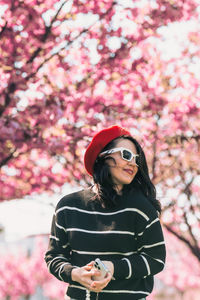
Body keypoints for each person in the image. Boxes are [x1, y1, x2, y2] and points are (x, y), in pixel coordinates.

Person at [44, 125, 166, 300]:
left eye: (136, 159)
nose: (132, 163)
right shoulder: (68, 207)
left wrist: (113, 267)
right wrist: (75, 274)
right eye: (126, 155)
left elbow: (156, 260)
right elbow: (54, 256)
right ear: (102, 157)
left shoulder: (142, 209)